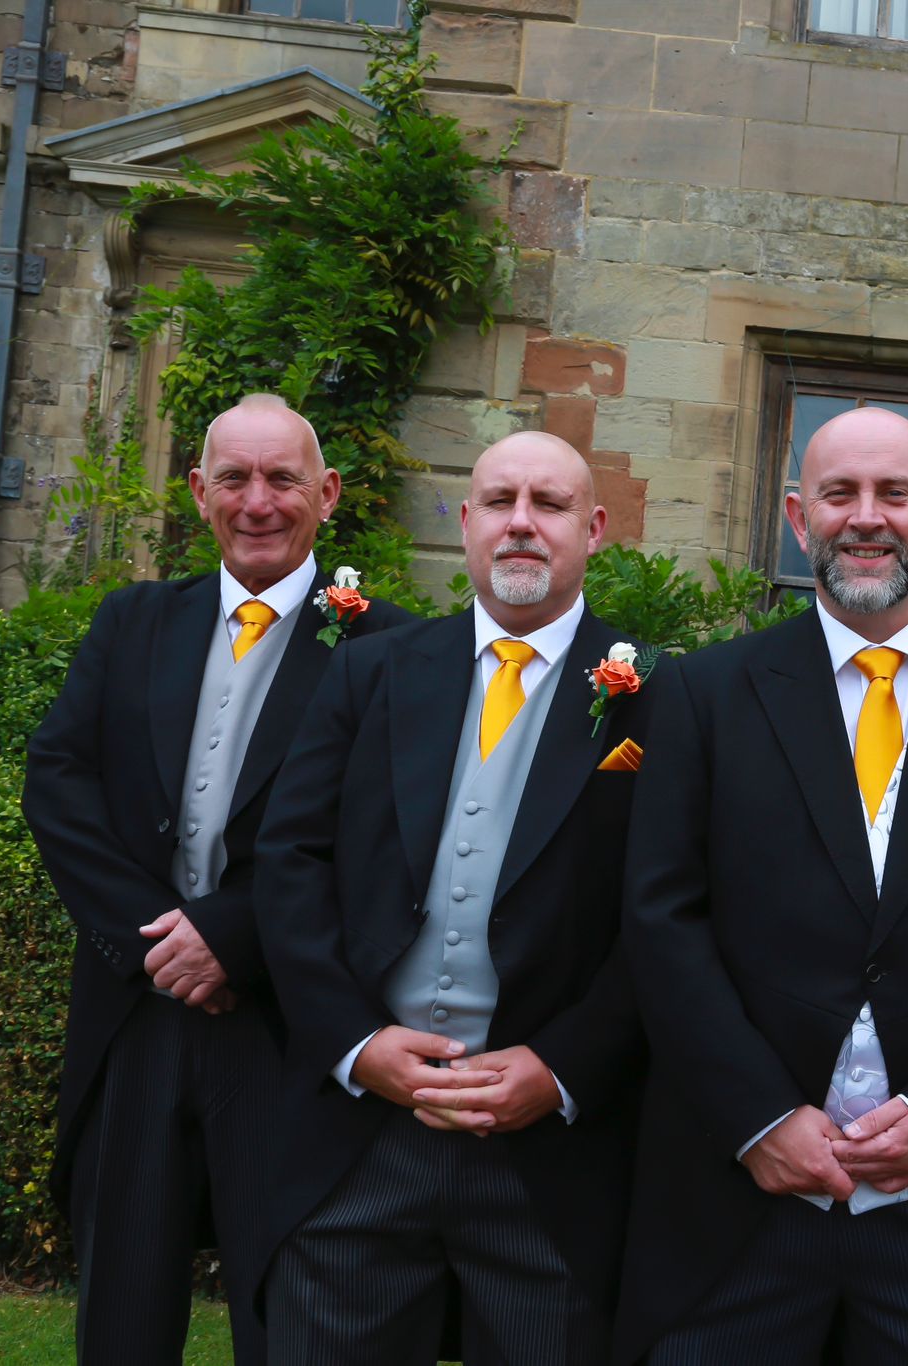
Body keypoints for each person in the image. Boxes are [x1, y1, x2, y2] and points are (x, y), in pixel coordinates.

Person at [615, 406, 908, 1364]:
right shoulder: (708, 695)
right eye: (839, 494)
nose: (867, 517)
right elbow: (663, 917)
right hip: (736, 1204)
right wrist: (757, 1115)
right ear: (800, 518)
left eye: (894, 493)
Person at [22, 393, 409, 1363]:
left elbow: (380, 839)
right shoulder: (133, 622)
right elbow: (59, 784)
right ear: (199, 492)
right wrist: (159, 939)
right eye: (233, 478)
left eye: (282, 478)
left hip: (286, 1028)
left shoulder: (386, 646)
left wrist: (234, 935)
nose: (257, 501)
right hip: (137, 1015)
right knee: (122, 1308)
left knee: (284, 1312)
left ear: (327, 494)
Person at [252, 432, 649, 1364]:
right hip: (360, 1137)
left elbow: (668, 916)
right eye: (500, 502)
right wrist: (356, 1045)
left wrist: (561, 1068)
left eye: (549, 505)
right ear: (467, 523)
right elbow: (290, 860)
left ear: (594, 529)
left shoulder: (660, 696)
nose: (522, 523)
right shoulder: (373, 670)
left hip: (550, 1162)